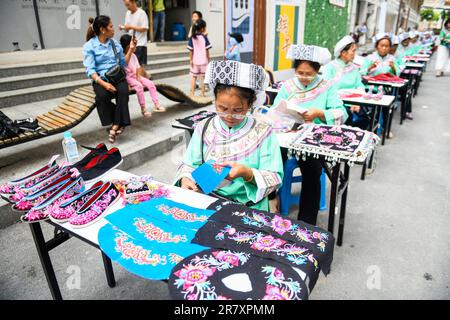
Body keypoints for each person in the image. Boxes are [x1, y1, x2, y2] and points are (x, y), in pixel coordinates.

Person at [175, 60, 283, 212]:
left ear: (250, 104)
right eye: (222, 108)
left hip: (249, 209)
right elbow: (189, 164)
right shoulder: (203, 127)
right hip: (208, 203)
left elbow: (275, 177)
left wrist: (247, 173)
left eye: (238, 110)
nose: (229, 115)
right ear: (215, 100)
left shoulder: (264, 132)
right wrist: (186, 179)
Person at [273, 44, 348, 225]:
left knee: (312, 171)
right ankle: (271, 210)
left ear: (318, 70)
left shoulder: (326, 87)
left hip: (311, 139)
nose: (304, 77)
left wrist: (319, 114)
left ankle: (306, 223)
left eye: (309, 73)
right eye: (300, 72)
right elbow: (276, 110)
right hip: (287, 135)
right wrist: (287, 119)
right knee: (271, 163)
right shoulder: (289, 86)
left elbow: (341, 112)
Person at [83, 16, 132, 144]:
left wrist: (131, 49)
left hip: (117, 76)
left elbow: (123, 64)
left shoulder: (115, 44)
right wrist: (105, 84)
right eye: (110, 26)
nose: (113, 29)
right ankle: (120, 122)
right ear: (102, 29)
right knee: (102, 97)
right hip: (100, 78)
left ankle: (115, 126)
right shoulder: (90, 46)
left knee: (123, 92)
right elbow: (90, 70)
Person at [322, 36, 368, 129]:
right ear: (343, 53)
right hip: (335, 103)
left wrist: (357, 102)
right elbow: (325, 87)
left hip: (355, 102)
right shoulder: (330, 67)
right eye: (353, 51)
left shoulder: (354, 68)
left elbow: (359, 85)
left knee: (364, 119)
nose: (355, 54)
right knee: (347, 116)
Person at [120, 34, 166, 119]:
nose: (136, 47)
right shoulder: (123, 57)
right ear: (128, 46)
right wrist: (128, 84)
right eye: (134, 45)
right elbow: (122, 71)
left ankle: (156, 104)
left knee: (151, 84)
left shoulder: (134, 56)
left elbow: (137, 68)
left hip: (135, 77)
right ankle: (143, 108)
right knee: (139, 86)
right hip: (128, 78)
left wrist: (138, 77)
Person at [120, 0, 149, 65]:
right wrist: (123, 27)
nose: (127, 7)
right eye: (126, 5)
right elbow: (127, 28)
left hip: (140, 43)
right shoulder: (127, 13)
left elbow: (144, 28)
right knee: (133, 66)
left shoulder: (141, 13)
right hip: (131, 44)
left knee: (139, 66)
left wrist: (131, 27)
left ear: (133, 2)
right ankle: (147, 75)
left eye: (128, 5)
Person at [188, 19, 211, 97]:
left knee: (193, 77)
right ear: (202, 28)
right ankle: (202, 94)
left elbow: (191, 51)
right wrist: (209, 59)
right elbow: (207, 50)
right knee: (203, 78)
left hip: (195, 61)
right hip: (204, 61)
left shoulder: (192, 38)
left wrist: (190, 60)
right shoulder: (204, 37)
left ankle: (192, 94)